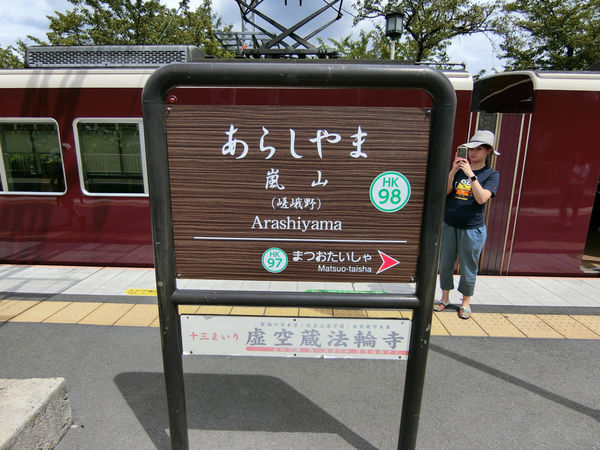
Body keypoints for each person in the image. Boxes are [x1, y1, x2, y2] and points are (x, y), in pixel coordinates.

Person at [434, 130, 500, 319]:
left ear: (488, 151)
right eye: (471, 149)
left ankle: (465, 302)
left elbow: (481, 198)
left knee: (468, 266)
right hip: (450, 224)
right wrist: (453, 171)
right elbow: (446, 192)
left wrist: (471, 174)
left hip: (472, 229)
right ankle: (444, 298)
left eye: (478, 149)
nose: (473, 153)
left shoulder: (491, 174)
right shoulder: (458, 171)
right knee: (446, 263)